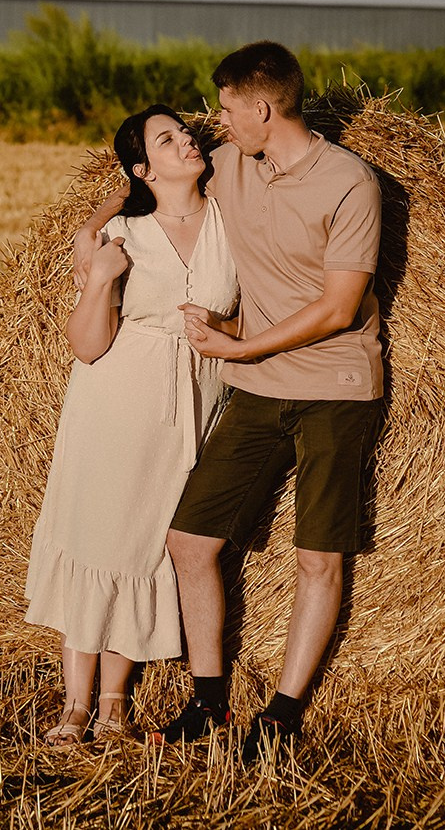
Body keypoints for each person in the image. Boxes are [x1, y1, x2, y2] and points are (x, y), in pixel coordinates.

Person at [75, 42, 383, 764]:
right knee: (189, 542)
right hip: (257, 388)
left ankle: (279, 714)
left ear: (260, 108)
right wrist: (98, 225)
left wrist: (238, 346)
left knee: (316, 557)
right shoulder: (232, 166)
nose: (211, 123)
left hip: (334, 386)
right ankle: (208, 702)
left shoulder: (350, 183)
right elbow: (145, 178)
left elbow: (339, 307)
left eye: (223, 108)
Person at [24, 104, 238, 746]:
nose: (187, 142)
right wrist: (97, 281)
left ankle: (115, 701)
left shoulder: (234, 222)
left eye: (187, 133)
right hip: (117, 398)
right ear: (143, 169)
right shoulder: (123, 233)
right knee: (99, 538)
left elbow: (260, 313)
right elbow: (87, 347)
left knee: (147, 546)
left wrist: (223, 328)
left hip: (196, 400)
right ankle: (75, 703)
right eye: (166, 140)